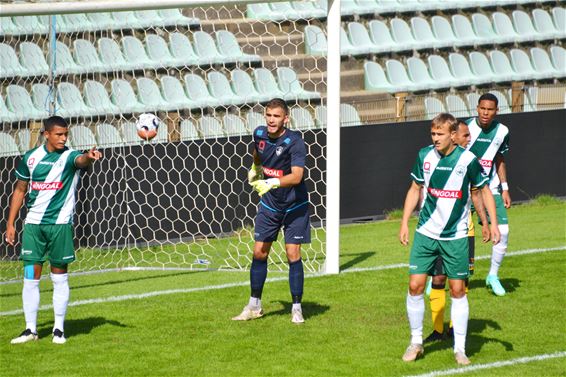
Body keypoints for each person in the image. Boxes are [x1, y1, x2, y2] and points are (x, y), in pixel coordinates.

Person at [399, 113, 500, 365]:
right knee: (415, 286)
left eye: (440, 134)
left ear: (453, 135)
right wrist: (404, 223)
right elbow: (415, 189)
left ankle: (460, 349)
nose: (435, 139)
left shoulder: (468, 160)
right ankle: (416, 342)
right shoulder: (424, 156)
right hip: (425, 234)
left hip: (456, 237)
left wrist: (492, 223)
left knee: (457, 290)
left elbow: (483, 190)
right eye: (432, 134)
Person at [5, 116, 102, 344]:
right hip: (33, 228)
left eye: (66, 134)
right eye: (59, 134)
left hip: (59, 227)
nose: (63, 138)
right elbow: (20, 190)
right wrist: (10, 224)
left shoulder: (69, 156)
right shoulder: (30, 158)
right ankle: (30, 330)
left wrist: (89, 157)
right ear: (46, 134)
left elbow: (81, 161)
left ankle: (58, 329)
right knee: (30, 278)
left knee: (59, 278)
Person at [232, 98, 310, 324]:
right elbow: (257, 152)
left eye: (276, 116)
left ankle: (296, 308)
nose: (271, 120)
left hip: (295, 205)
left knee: (292, 254)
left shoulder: (294, 141)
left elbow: (297, 176)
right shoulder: (259, 134)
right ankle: (254, 305)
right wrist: (255, 168)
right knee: (259, 253)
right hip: (270, 204)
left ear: (286, 118)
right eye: (268, 115)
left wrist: (273, 182)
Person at [424, 121, 491, 343]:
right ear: (453, 136)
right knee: (438, 277)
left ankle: (454, 329)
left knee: (460, 282)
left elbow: (478, 193)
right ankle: (437, 329)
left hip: (464, 232)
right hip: (436, 231)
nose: (468, 138)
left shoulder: (468, 161)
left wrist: (485, 222)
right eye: (465, 135)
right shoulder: (434, 158)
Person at [466, 93, 511, 296]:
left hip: (490, 189)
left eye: (490, 109)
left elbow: (499, 158)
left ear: (496, 111)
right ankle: (436, 278)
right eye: (482, 108)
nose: (485, 113)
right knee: (451, 236)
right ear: (477, 108)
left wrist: (505, 187)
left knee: (503, 230)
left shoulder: (502, 131)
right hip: (464, 191)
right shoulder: (465, 129)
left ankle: (493, 275)